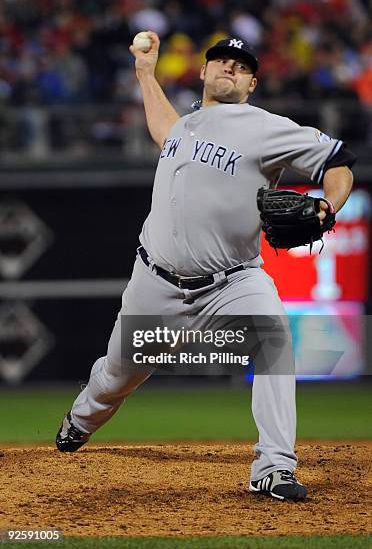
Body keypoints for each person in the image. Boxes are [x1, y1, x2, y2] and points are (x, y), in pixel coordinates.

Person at [56, 33, 355, 501]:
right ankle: (81, 420)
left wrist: (326, 207)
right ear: (203, 72)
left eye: (240, 65)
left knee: (274, 339)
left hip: (232, 281)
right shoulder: (186, 127)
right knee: (114, 378)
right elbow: (164, 131)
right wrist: (144, 73)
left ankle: (274, 467)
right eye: (220, 61)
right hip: (154, 282)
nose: (229, 68)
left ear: (252, 82)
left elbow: (339, 163)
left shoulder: (265, 127)